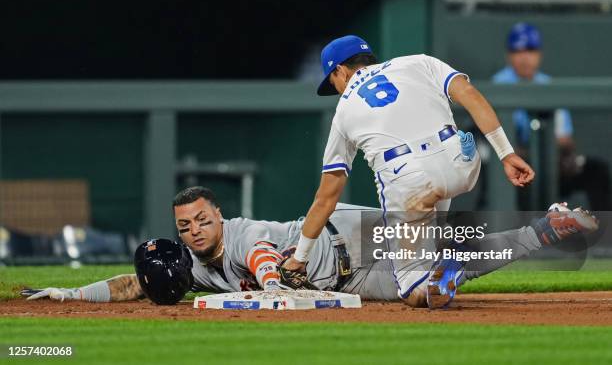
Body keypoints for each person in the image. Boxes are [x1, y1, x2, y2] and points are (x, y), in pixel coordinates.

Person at [24, 186, 597, 308]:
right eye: (186, 225)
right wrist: (68, 290)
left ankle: (542, 223)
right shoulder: (197, 269)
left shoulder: (241, 234)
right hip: (347, 282)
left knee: (444, 228)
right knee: (432, 291)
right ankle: (541, 236)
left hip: (347, 234)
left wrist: (271, 287)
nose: (195, 229)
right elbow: (134, 286)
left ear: (217, 214)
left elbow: (262, 258)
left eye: (202, 219)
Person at [281, 35, 535, 307]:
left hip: (410, 182)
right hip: (461, 162)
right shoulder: (418, 62)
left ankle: (452, 265)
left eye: (333, 83)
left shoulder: (343, 112)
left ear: (340, 71)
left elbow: (326, 199)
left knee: (414, 291)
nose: (338, 91)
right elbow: (469, 95)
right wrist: (506, 153)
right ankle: (449, 253)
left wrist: (300, 258)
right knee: (433, 245)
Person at [493, 22, 611, 211]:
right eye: (518, 51)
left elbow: (564, 139)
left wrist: (564, 155)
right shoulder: (499, 84)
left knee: (596, 170)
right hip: (516, 166)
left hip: (549, 163)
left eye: (530, 50)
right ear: (509, 55)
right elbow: (501, 140)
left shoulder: (547, 84)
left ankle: (604, 236)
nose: (525, 57)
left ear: (539, 55)